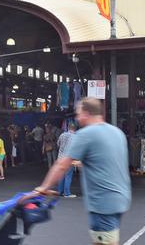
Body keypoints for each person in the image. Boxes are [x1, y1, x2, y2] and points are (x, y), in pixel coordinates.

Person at [31, 98, 131, 245]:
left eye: (78, 114)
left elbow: (61, 165)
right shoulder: (117, 133)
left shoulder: (85, 134)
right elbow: (108, 163)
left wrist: (43, 187)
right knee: (105, 240)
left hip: (103, 203)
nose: (77, 118)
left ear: (86, 113)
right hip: (121, 199)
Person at [57, 122, 77, 198]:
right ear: (75, 129)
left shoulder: (62, 135)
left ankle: (59, 192)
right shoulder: (75, 137)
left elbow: (58, 144)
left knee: (61, 176)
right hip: (69, 159)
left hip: (60, 158)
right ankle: (67, 193)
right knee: (68, 175)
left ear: (68, 128)